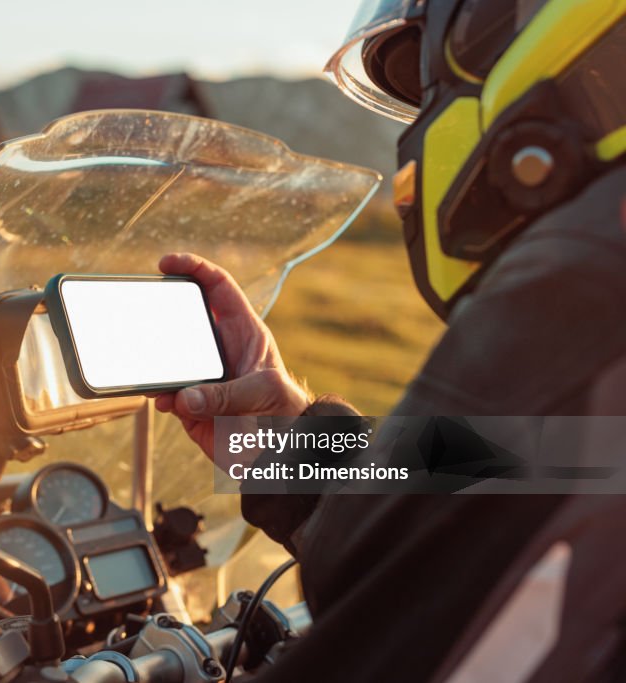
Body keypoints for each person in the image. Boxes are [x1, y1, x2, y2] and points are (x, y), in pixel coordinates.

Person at [157, 0, 626, 680]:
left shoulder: (589, 269)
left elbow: (380, 635)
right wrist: (290, 439)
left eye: (428, 86)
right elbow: (493, 483)